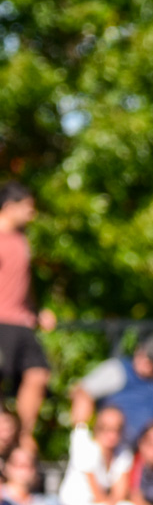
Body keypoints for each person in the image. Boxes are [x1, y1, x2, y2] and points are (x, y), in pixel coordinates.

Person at [0, 182, 51, 449]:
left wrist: (37, 310)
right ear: (10, 207)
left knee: (38, 374)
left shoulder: (21, 239)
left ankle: (23, 438)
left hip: (22, 321)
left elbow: (23, 280)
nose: (32, 214)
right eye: (27, 208)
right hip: (2, 322)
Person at [71, 333, 153, 446]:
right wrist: (81, 433)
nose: (148, 364)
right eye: (147, 356)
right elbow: (81, 392)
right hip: (113, 447)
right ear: (138, 350)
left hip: (149, 450)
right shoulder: (118, 370)